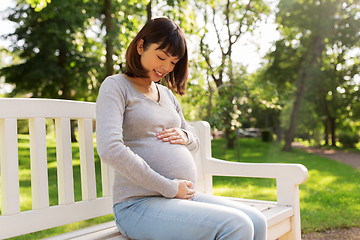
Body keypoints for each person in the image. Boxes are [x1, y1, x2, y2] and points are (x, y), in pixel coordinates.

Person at [96, 17, 267, 240]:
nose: (166, 68)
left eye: (173, 62)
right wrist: (169, 187)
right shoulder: (116, 86)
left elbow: (193, 141)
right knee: (237, 226)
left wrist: (185, 135)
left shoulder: (166, 95)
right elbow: (110, 149)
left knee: (256, 220)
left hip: (179, 198)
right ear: (141, 46)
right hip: (137, 205)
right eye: (161, 57)